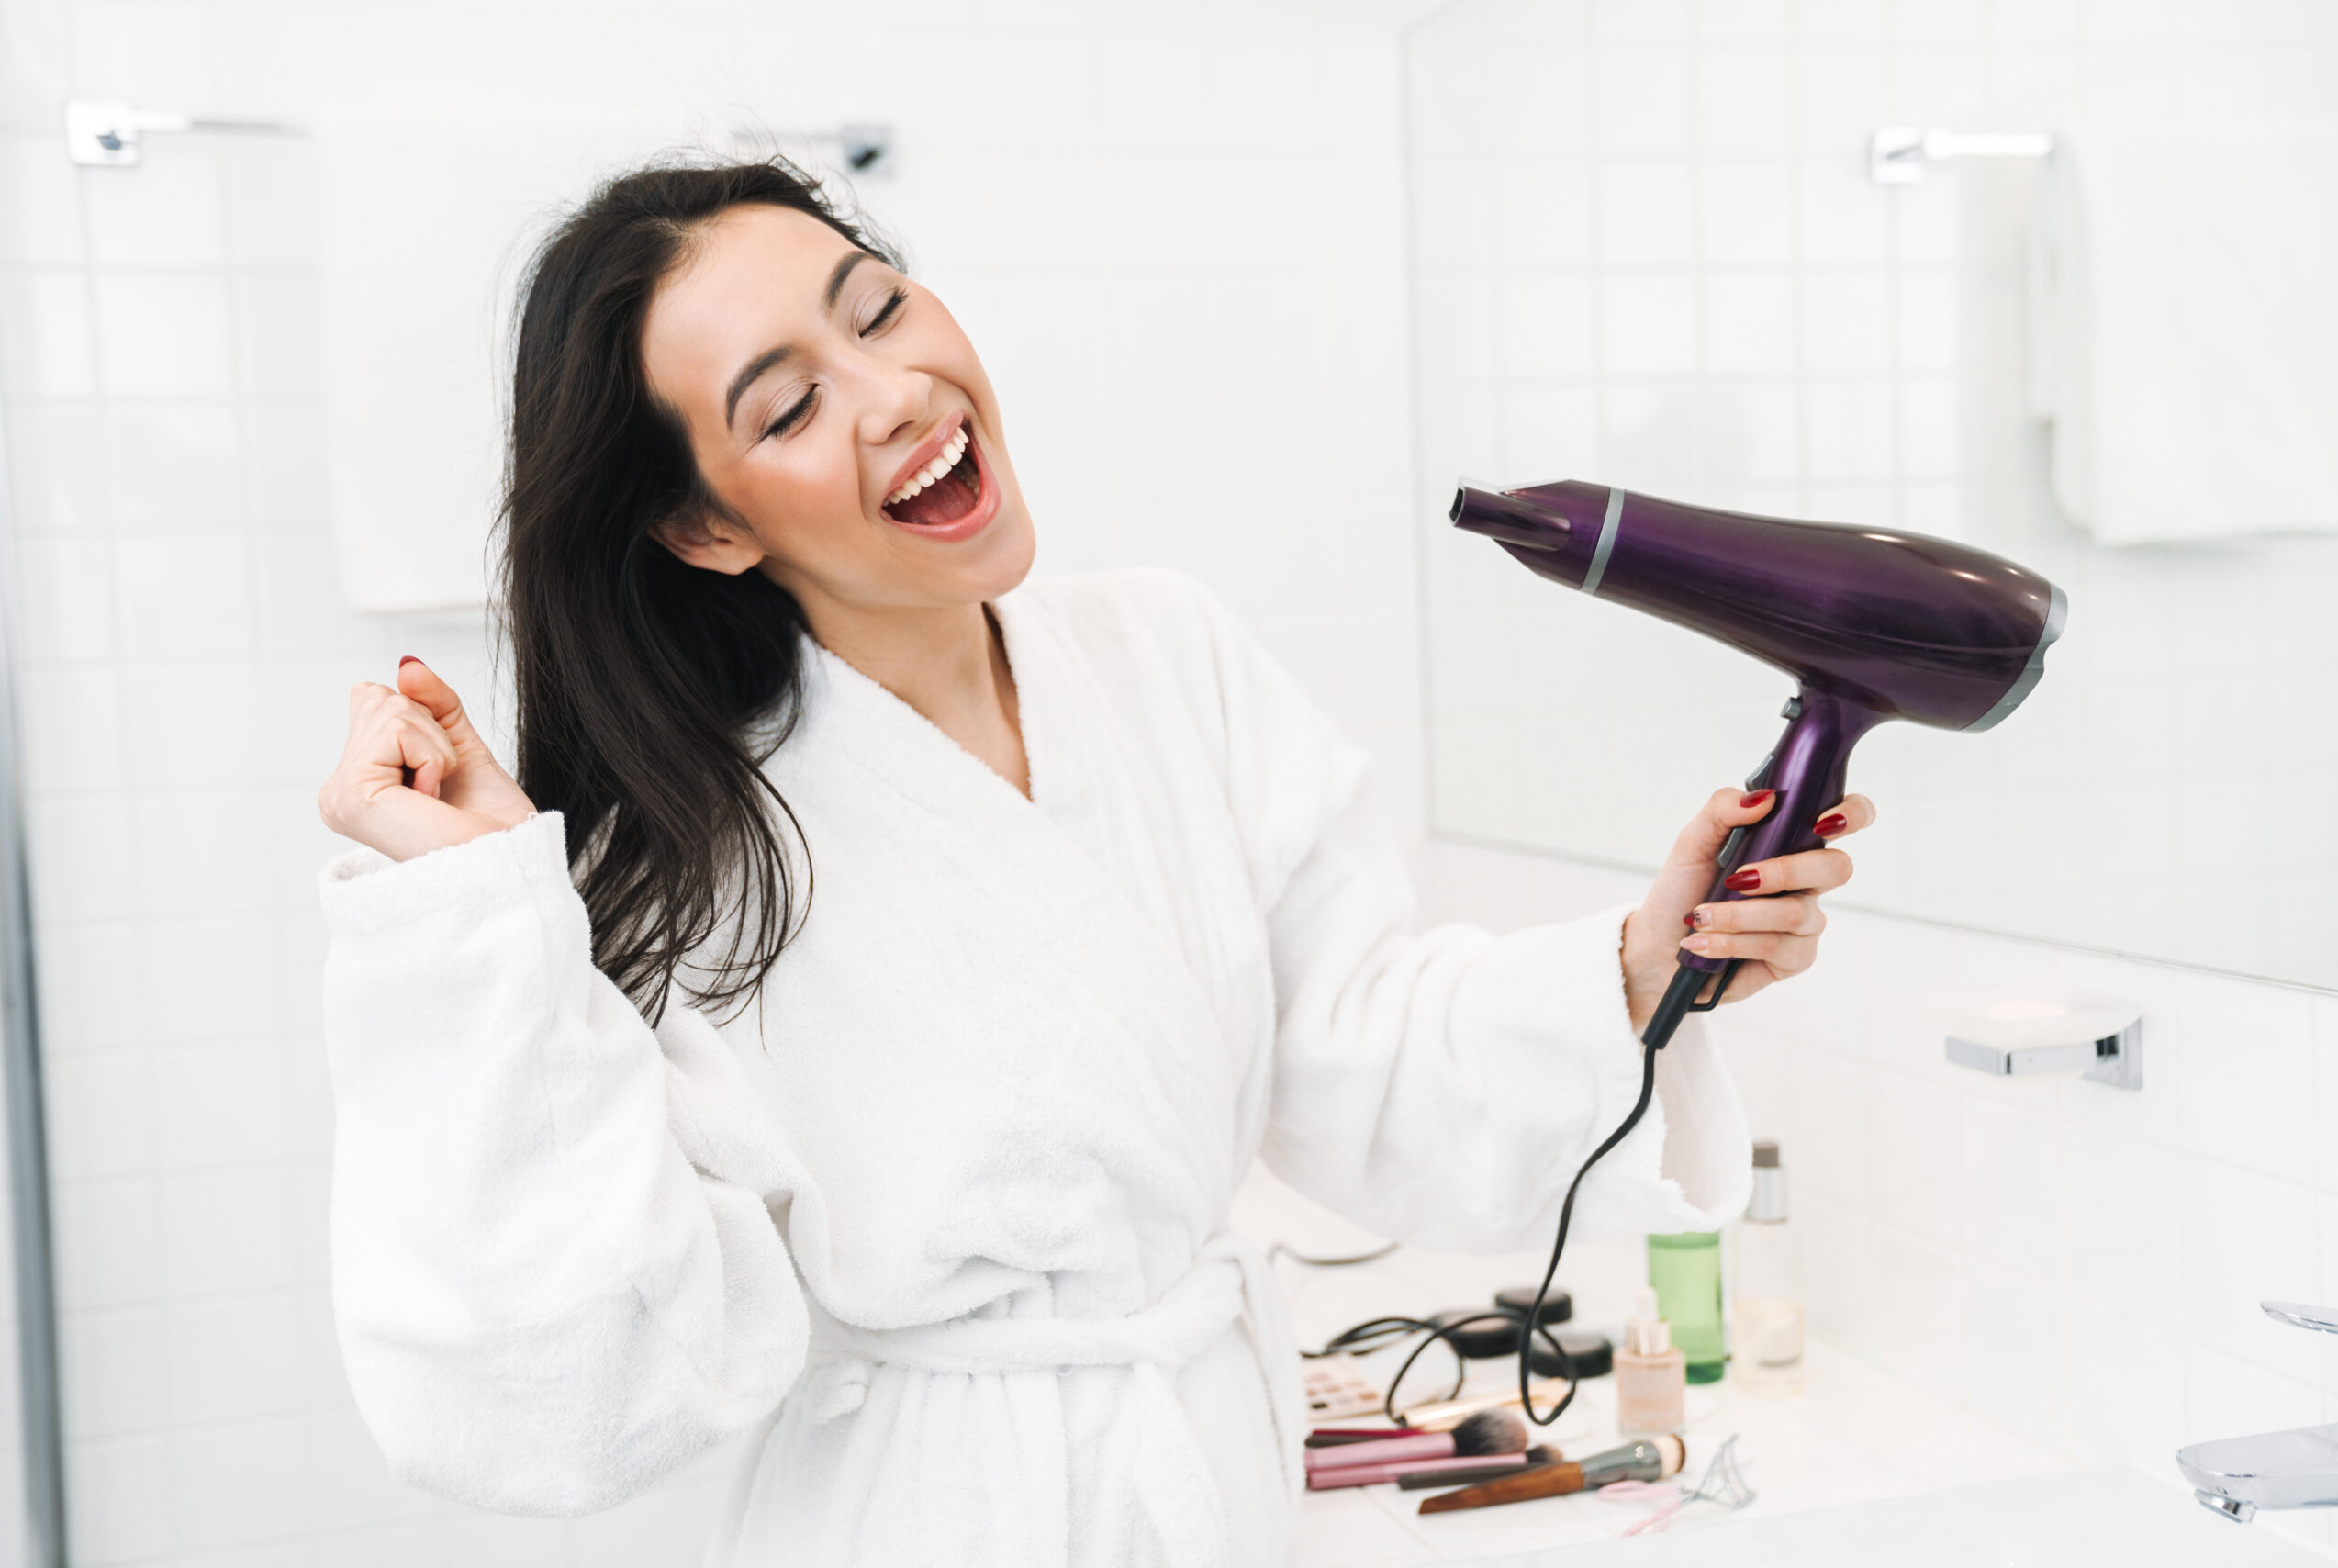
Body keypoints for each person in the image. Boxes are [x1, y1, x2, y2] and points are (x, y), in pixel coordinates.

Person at [314, 159, 1870, 1567]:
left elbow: (1353, 1052)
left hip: (1212, 1477)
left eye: (879, 309)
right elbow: (593, 1375)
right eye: (786, 409)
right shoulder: (695, 843)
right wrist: (474, 921)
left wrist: (1635, 969)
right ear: (709, 529)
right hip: (926, 1514)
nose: (895, 392)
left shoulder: (1166, 654)